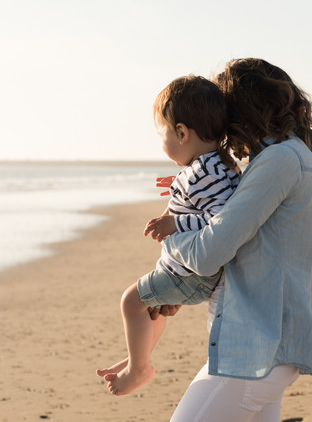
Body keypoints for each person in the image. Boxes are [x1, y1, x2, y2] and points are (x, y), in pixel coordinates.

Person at [156, 58, 312, 421]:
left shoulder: (279, 161)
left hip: (259, 350)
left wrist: (173, 233)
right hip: (266, 346)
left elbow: (209, 253)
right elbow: (247, 248)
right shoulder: (286, 157)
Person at [96, 75, 239, 396]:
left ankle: (139, 368)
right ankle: (137, 357)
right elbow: (206, 198)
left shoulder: (202, 175)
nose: (161, 141)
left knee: (132, 301)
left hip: (188, 273)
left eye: (162, 133)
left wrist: (175, 223)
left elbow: (221, 219)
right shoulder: (216, 166)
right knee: (152, 306)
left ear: (182, 133)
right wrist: (180, 184)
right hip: (190, 270)